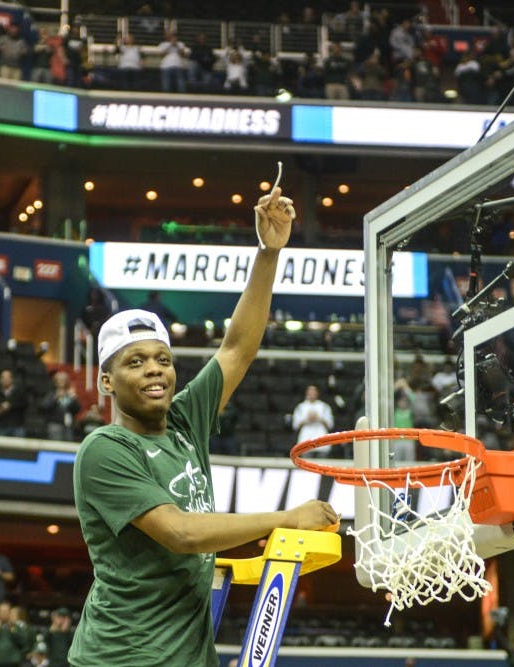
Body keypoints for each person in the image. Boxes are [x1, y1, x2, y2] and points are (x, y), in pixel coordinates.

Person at [68, 181, 338, 666]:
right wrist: (288, 516)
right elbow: (182, 534)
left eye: (162, 359)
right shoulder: (104, 449)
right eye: (135, 363)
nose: (155, 369)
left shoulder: (184, 421)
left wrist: (268, 253)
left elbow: (237, 348)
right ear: (106, 382)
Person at [0, 602, 30, 667]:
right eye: (1, 611)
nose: (4, 613)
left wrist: (13, 631)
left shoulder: (17, 626)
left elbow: (24, 643)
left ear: (10, 612)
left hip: (12, 661)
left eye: (6, 611)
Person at [0, 369, 27, 438]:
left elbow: (25, 404)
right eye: (3, 377)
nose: (5, 380)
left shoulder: (19, 392)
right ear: (0, 380)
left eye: (8, 377)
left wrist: (10, 405)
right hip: (2, 427)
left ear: (12, 379)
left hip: (17, 426)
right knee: (1, 448)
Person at [40, 371, 80, 441]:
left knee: (68, 445)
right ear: (55, 382)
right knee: (56, 445)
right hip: (55, 424)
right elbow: (44, 406)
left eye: (64, 380)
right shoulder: (51, 393)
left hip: (68, 425)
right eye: (60, 380)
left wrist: (74, 399)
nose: (62, 382)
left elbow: (77, 409)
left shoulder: (70, 394)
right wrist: (56, 398)